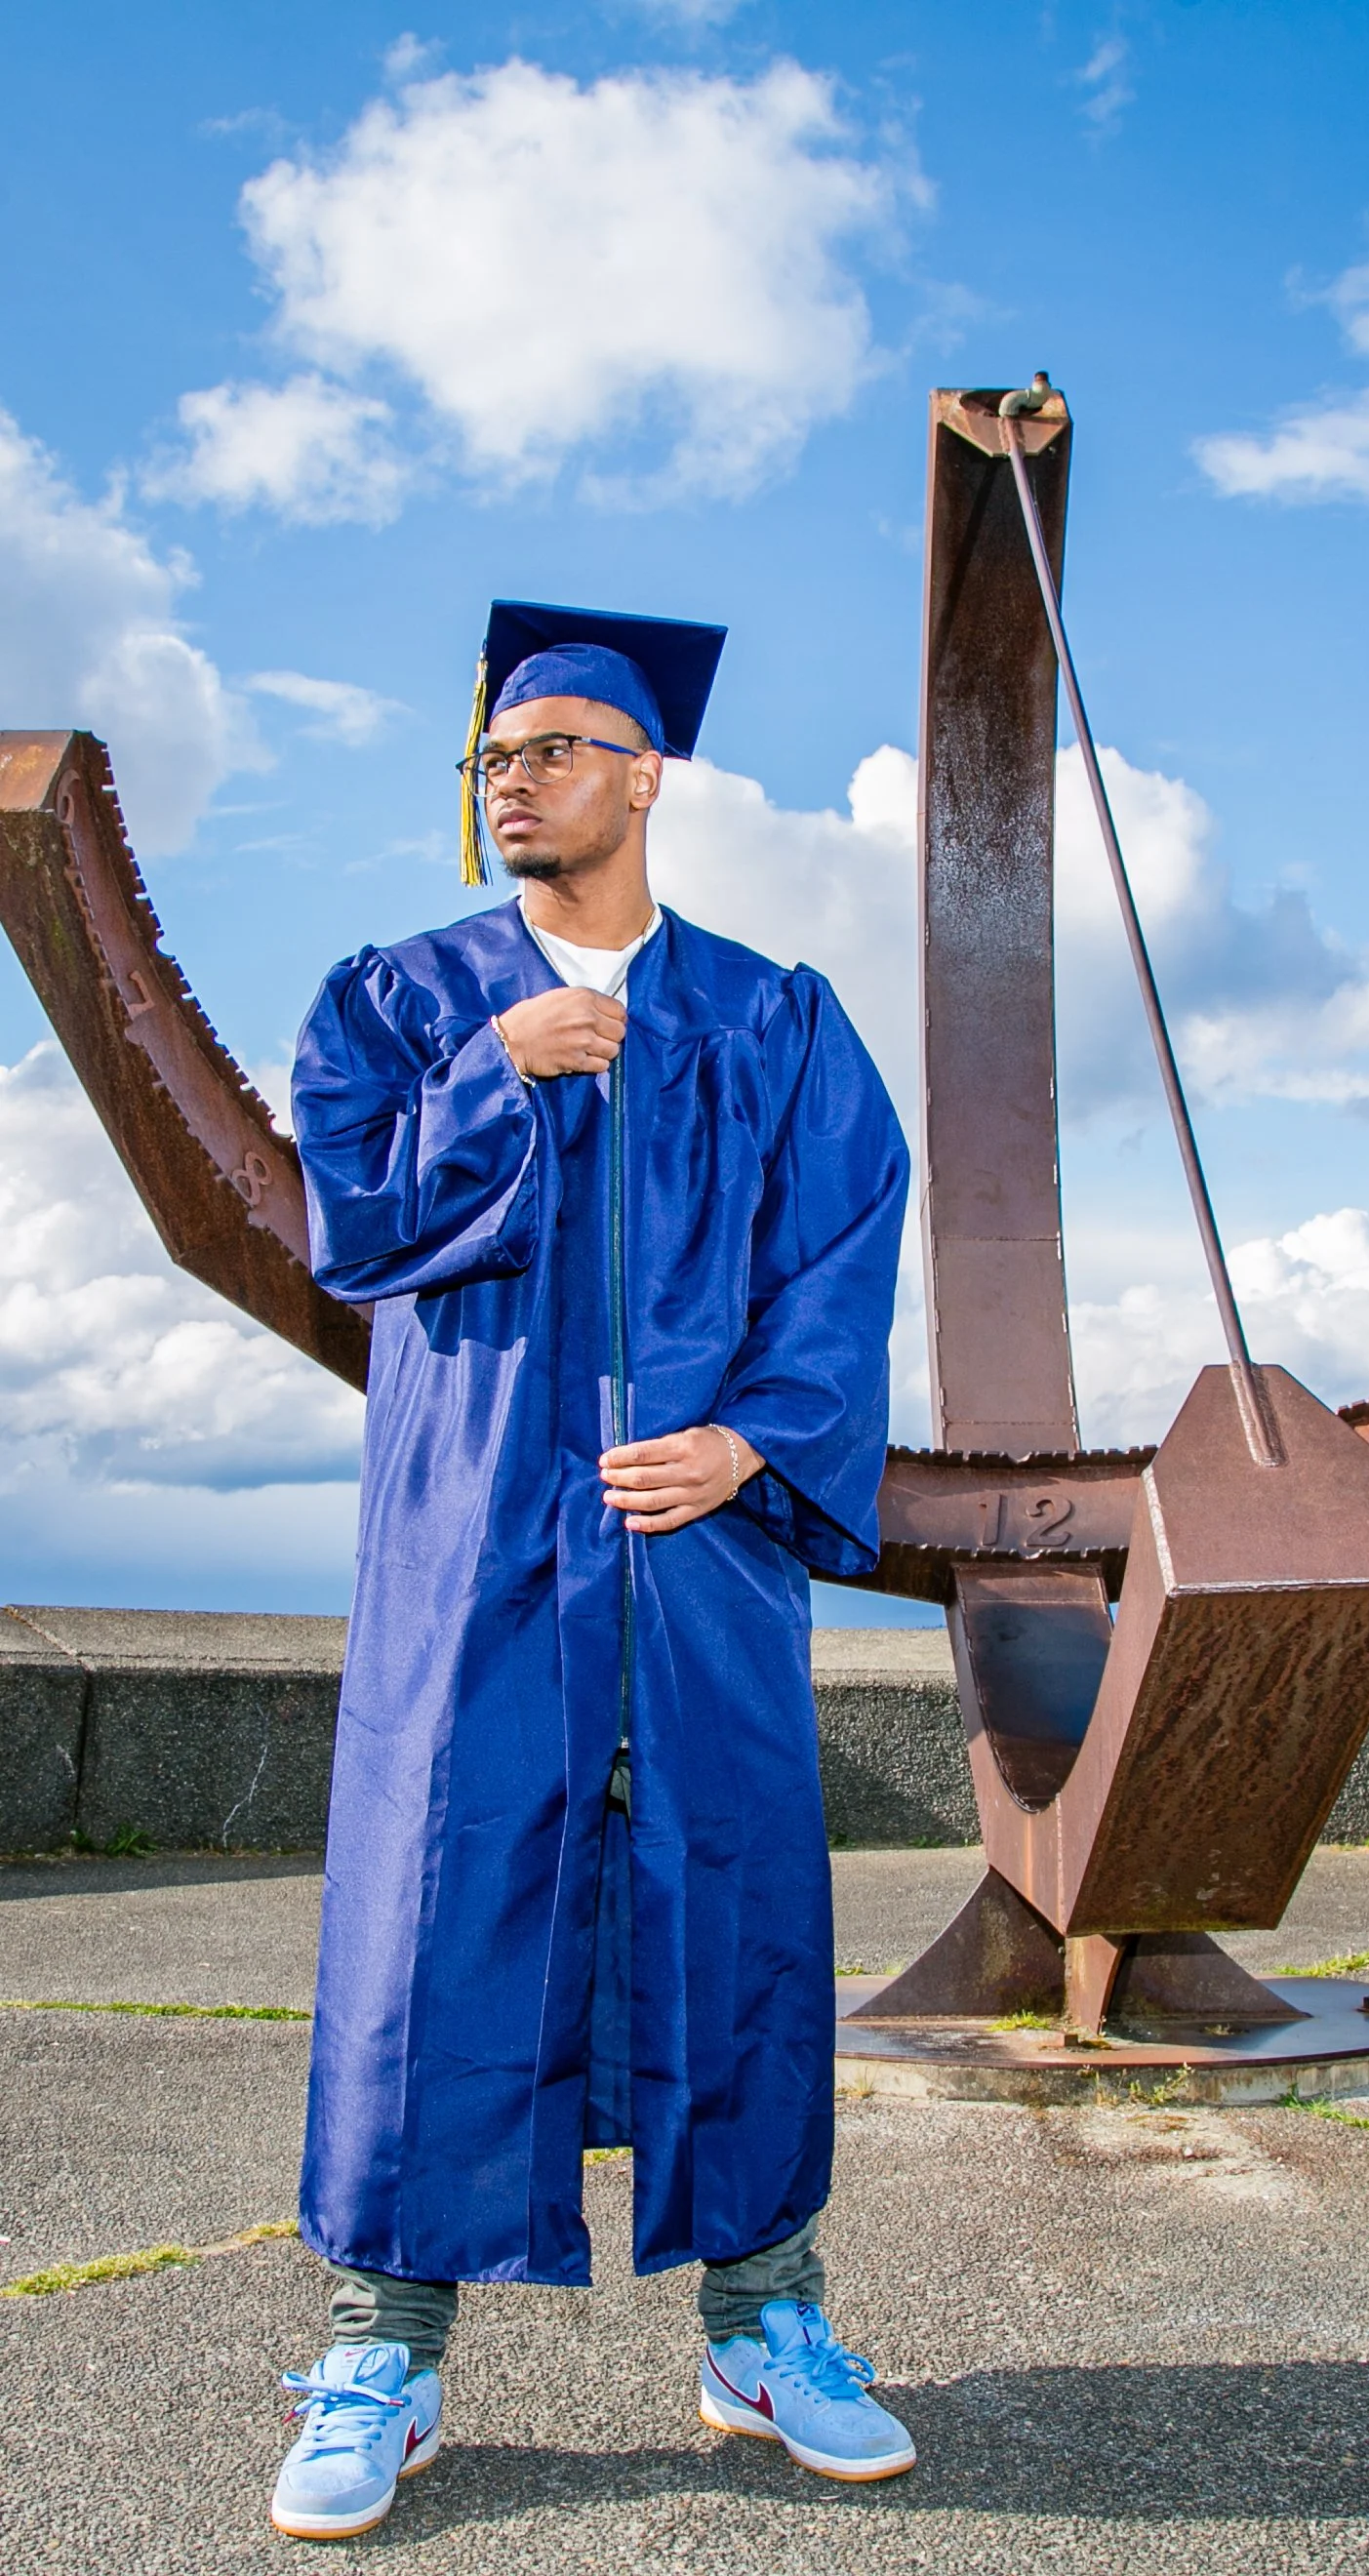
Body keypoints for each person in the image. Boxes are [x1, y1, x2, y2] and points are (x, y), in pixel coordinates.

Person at [268, 602, 913, 2541]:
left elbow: (847, 1245)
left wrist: (757, 1437)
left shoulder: (773, 1016)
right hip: (475, 1538)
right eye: (496, 755)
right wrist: (494, 1074)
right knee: (440, 1902)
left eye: (555, 745)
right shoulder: (401, 997)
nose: (516, 774)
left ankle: (762, 2321)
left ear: (645, 774)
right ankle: (384, 2345)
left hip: (697, 1551)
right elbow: (348, 1227)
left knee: (737, 1904)